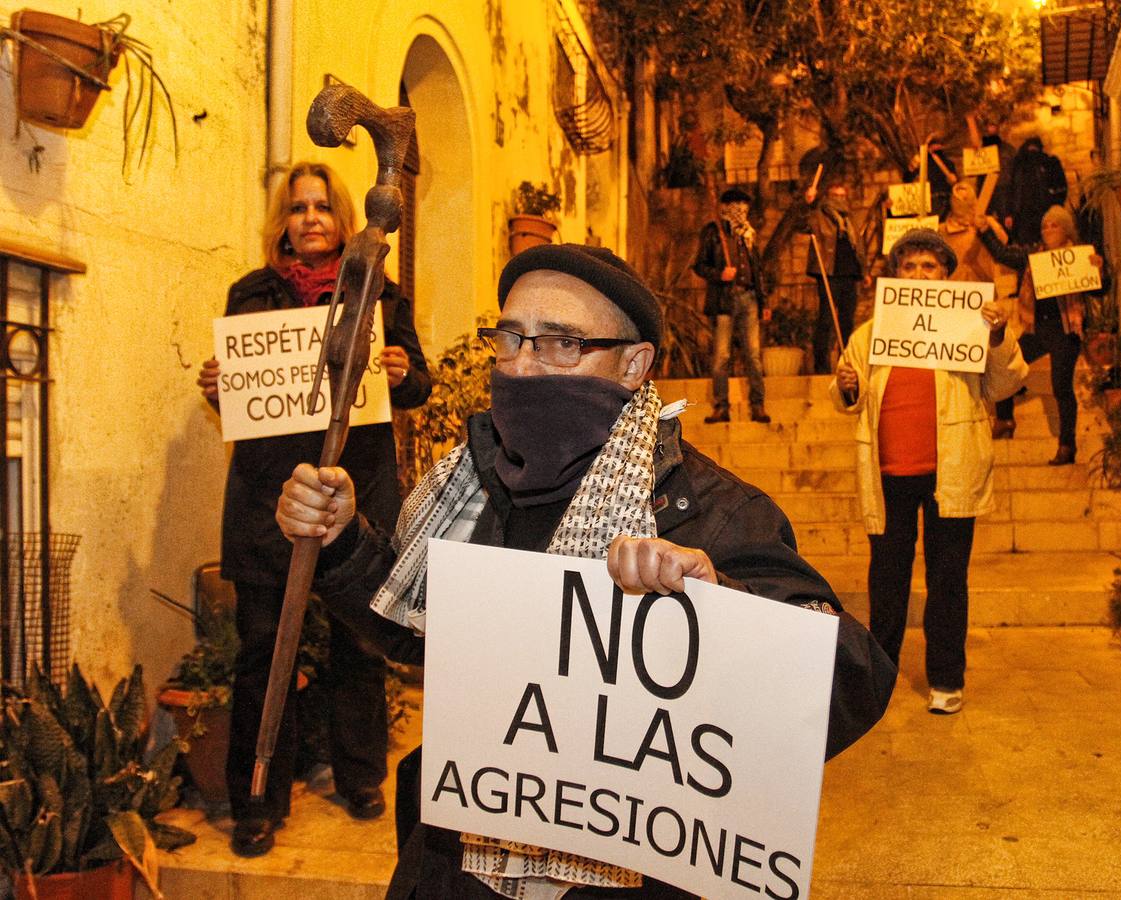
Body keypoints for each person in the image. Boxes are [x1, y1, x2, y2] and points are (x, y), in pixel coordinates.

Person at [275, 243, 897, 899]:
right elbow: (420, 634)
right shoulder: (467, 486)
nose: (520, 365)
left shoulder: (711, 511)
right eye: (509, 337)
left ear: (632, 364)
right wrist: (343, 542)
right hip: (458, 862)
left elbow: (851, 680)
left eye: (560, 344)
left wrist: (718, 606)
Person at [196, 161, 432, 857]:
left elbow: (418, 382)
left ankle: (359, 776)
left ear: (340, 219)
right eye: (297, 208)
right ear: (284, 223)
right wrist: (218, 385)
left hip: (355, 490)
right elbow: (239, 392)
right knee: (264, 649)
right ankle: (257, 800)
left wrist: (401, 371)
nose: (310, 218)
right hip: (269, 495)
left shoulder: (379, 293)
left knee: (362, 640)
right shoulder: (250, 294)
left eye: (322, 206)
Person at [830, 229, 1026, 715]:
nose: (920, 274)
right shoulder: (870, 334)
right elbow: (848, 399)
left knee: (948, 580)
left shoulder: (972, 327)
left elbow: (1005, 384)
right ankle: (881, 675)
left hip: (951, 474)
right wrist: (848, 385)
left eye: (930, 267)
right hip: (889, 473)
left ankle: (945, 678)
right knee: (887, 581)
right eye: (911, 267)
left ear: (946, 275)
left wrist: (998, 337)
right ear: (897, 276)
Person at [993, 206, 1102, 464]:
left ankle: (1067, 446)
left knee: (1061, 387)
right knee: (1007, 362)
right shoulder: (1035, 257)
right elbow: (1003, 254)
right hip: (1038, 328)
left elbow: (1099, 291)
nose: (1048, 230)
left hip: (1066, 329)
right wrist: (986, 231)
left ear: (1066, 230)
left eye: (1054, 225)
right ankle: (1005, 418)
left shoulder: (1078, 257)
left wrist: (1099, 271)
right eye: (1045, 226)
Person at [692, 187, 770, 423]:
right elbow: (699, 265)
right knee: (722, 356)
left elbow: (757, 271)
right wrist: (719, 274)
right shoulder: (713, 232)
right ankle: (721, 406)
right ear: (726, 207)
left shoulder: (749, 235)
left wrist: (763, 300)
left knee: (754, 355)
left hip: (749, 298)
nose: (740, 209)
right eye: (736, 204)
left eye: (744, 205)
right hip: (724, 301)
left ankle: (758, 405)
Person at [802, 179, 875, 374]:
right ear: (828, 197)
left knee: (847, 320)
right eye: (836, 196)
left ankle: (847, 361)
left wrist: (865, 272)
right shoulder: (819, 215)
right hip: (829, 273)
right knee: (826, 319)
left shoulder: (849, 219)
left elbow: (858, 248)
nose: (840, 200)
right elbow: (804, 223)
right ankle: (821, 364)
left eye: (843, 196)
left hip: (849, 274)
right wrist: (808, 203)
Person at [938, 179, 1025, 285]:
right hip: (955, 288)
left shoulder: (989, 224)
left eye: (966, 198)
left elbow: (1004, 250)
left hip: (983, 287)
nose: (962, 201)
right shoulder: (941, 231)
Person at [1000, 136, 1068, 246]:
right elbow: (1010, 190)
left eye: (1034, 149)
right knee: (1027, 246)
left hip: (1044, 212)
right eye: (1030, 149)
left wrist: (1055, 208)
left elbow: (1060, 188)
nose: (1032, 152)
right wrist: (1009, 213)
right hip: (1022, 216)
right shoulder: (1018, 166)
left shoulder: (1049, 163)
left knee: (1047, 242)